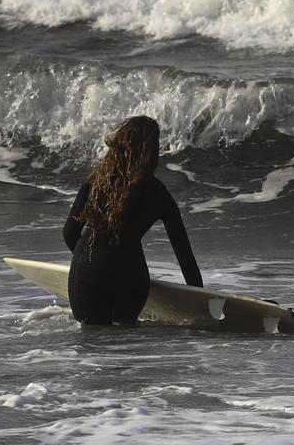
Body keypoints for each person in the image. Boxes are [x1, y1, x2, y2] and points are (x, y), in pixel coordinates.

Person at [62, 115, 203, 325]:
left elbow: (69, 232)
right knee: (126, 346)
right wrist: (201, 301)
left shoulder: (97, 180)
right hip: (129, 276)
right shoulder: (159, 193)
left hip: (87, 273)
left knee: (92, 346)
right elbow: (184, 256)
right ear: (151, 152)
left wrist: (94, 263)